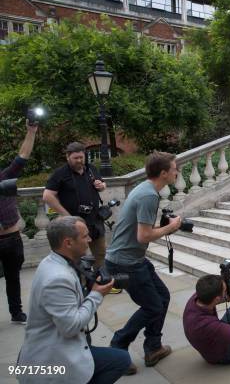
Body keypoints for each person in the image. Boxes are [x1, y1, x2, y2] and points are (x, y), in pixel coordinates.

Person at [17, 216, 131, 384]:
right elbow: (70, 327)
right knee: (121, 360)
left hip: (51, 346)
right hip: (50, 360)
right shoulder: (57, 278)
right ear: (68, 243)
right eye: (85, 236)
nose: (90, 239)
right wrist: (97, 295)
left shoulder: (52, 261)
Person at [104, 151, 182, 368]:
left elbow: (142, 231)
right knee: (152, 307)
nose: (177, 172)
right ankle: (117, 347)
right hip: (125, 263)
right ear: (164, 172)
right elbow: (144, 236)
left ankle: (153, 347)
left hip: (132, 259)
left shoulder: (146, 189)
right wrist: (171, 227)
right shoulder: (148, 195)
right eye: (175, 168)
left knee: (162, 298)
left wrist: (165, 226)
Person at [43, 142, 110, 274]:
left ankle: (100, 280)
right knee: (78, 257)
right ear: (68, 157)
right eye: (76, 158)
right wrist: (67, 216)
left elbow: (102, 184)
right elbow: (47, 196)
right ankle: (81, 284)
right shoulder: (60, 173)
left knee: (101, 253)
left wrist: (101, 186)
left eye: (81, 157)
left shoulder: (91, 169)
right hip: (74, 225)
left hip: (95, 221)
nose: (79, 160)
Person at [0, 120, 37, 324]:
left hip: (12, 238)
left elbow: (22, 157)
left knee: (13, 279)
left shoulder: (4, 177)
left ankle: (16, 312)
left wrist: (31, 132)